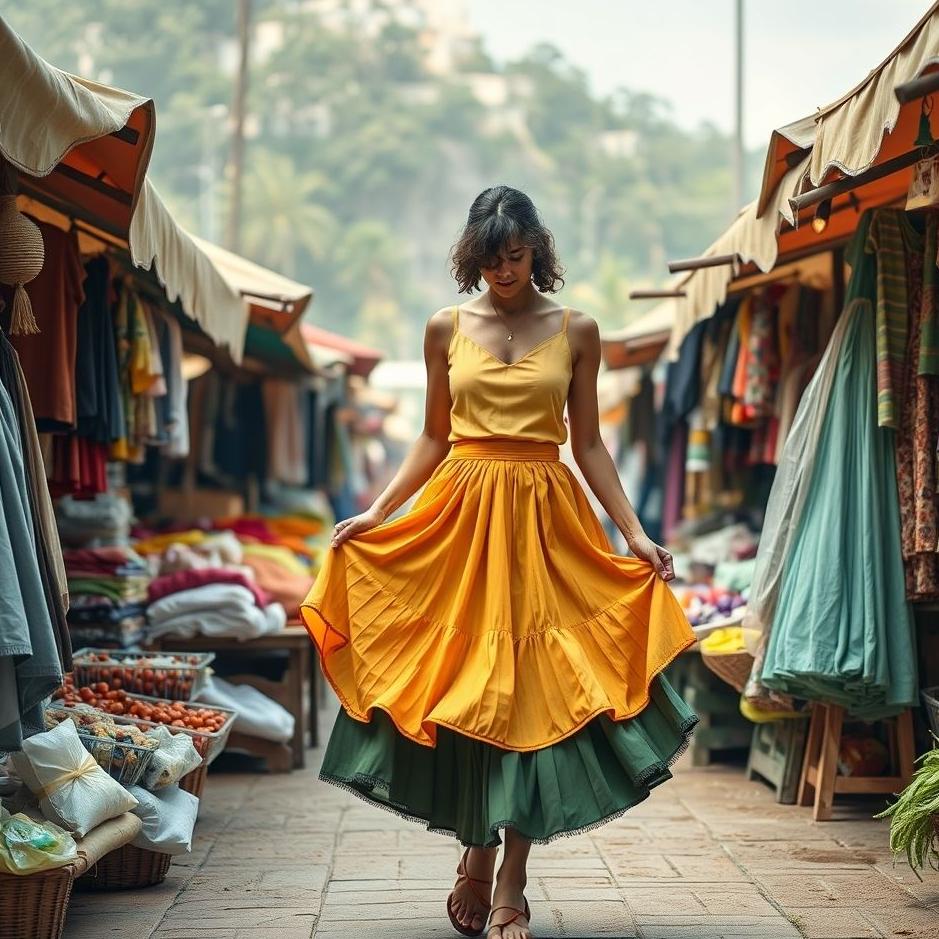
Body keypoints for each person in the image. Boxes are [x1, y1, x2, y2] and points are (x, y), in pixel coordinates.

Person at [301, 186, 697, 939]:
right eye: (489, 259)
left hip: (547, 523)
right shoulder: (443, 327)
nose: (502, 271)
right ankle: (475, 854)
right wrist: (379, 511)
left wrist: (636, 534)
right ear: (471, 256)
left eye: (514, 256)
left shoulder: (577, 329)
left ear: (535, 252)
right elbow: (430, 436)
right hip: (460, 518)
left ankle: (510, 878)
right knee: (462, 683)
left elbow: (588, 445)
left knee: (533, 694)